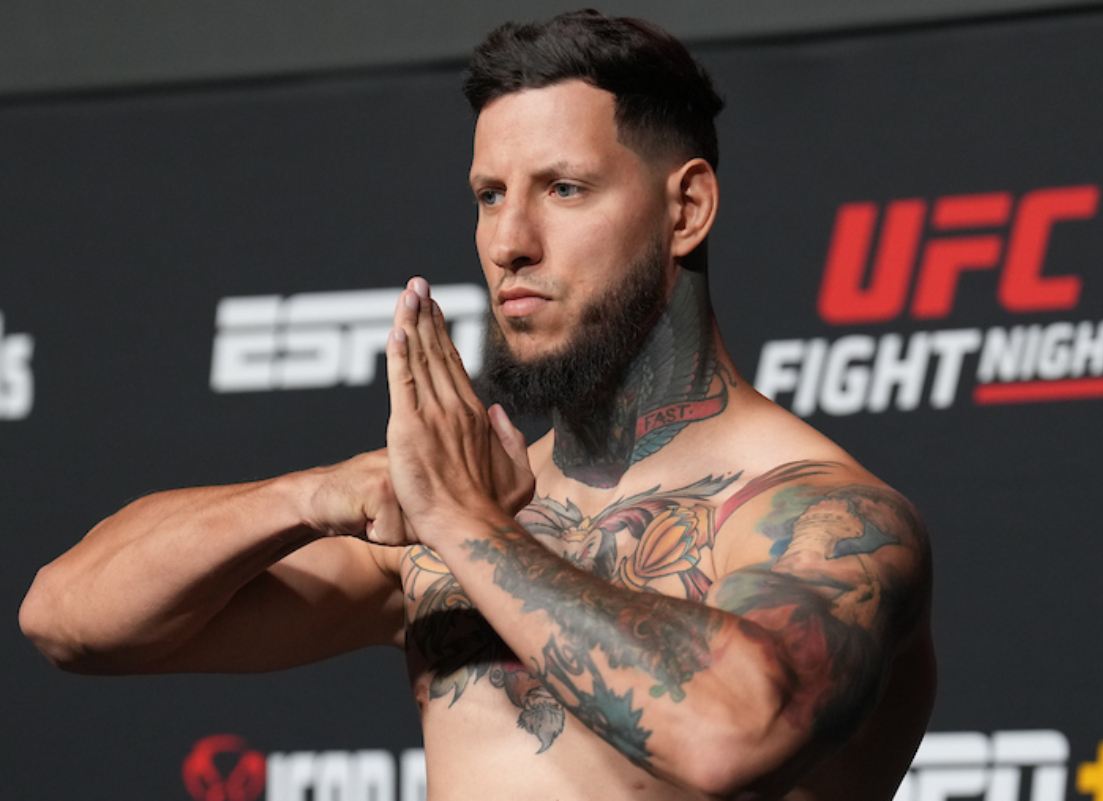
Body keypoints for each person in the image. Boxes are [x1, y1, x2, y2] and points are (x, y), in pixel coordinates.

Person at [20, 10, 935, 800]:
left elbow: (732, 733)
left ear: (686, 209)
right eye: (490, 196)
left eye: (564, 189)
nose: (508, 242)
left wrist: (468, 526)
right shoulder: (456, 511)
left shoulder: (825, 515)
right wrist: (316, 495)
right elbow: (68, 620)